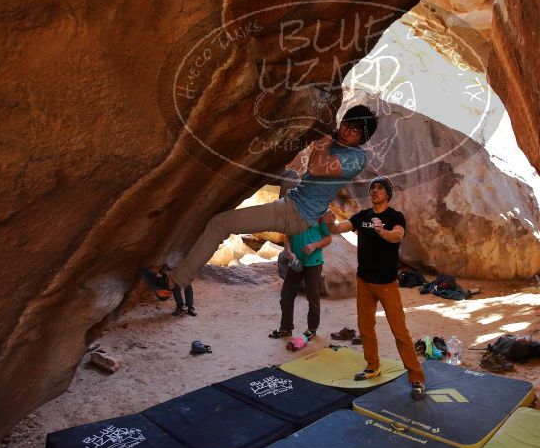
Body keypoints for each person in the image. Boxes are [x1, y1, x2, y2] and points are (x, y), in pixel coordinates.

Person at [139, 105, 378, 312]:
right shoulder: (338, 143)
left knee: (219, 224)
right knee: (290, 177)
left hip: (294, 214)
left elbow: (316, 167)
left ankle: (171, 284)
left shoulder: (356, 158)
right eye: (347, 125)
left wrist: (324, 138)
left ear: (362, 138)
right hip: (296, 202)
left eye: (355, 131)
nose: (347, 132)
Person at [325, 176, 426, 400]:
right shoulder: (363, 216)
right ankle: (373, 366)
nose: (375, 191)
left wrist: (382, 232)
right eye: (372, 188)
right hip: (364, 281)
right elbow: (338, 228)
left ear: (388, 194)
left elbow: (397, 235)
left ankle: (416, 377)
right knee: (366, 328)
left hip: (387, 284)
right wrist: (328, 221)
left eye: (380, 188)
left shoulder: (394, 217)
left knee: (399, 331)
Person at [269, 210, 334, 341]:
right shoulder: (293, 214)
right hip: (296, 261)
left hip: (313, 262)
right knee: (286, 295)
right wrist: (289, 252)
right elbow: (288, 237)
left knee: (312, 296)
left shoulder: (320, 215)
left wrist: (314, 245)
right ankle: (285, 329)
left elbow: (328, 238)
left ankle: (312, 329)